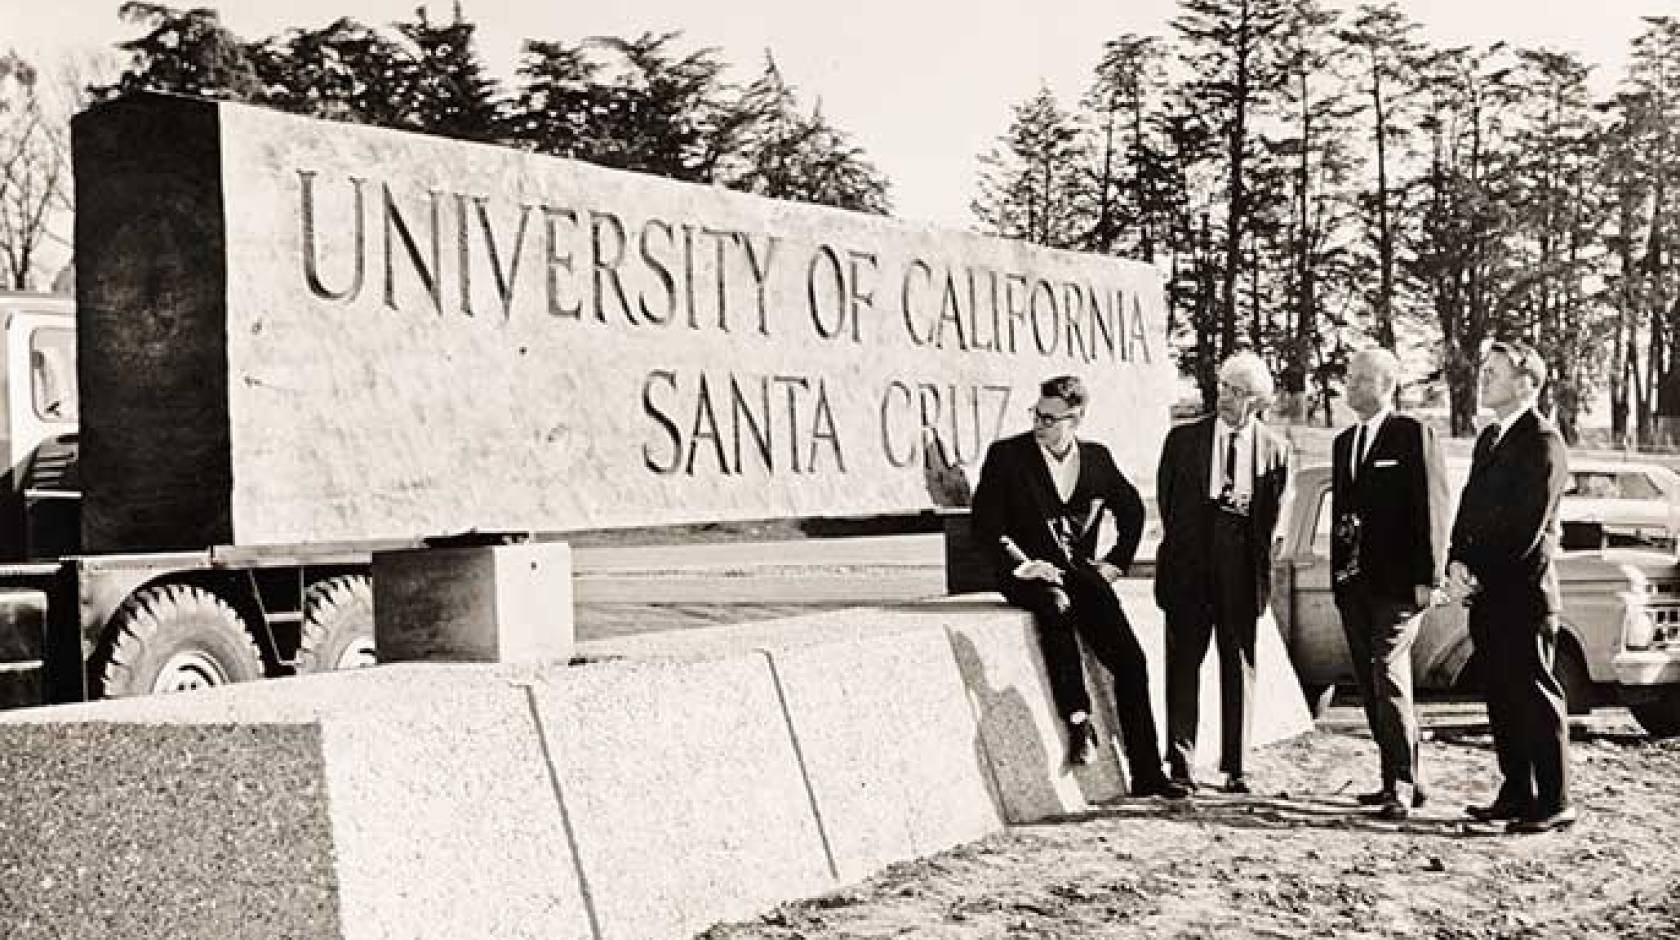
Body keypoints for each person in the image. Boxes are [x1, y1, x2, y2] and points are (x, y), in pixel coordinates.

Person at [971, 375, 1186, 798]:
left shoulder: (1097, 459)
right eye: (1037, 414)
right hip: (1026, 575)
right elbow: (987, 526)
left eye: (1050, 419)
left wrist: (1116, 563)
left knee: (1131, 661)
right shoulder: (1007, 456)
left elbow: (1132, 511)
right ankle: (1078, 719)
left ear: (1076, 419)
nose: (1039, 424)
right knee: (1056, 605)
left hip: (1081, 574)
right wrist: (1024, 565)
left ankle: (1147, 774)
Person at [1445, 340, 1576, 833]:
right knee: (1501, 696)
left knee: (1535, 696)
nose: (1483, 379)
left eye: (1494, 372)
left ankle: (1555, 800)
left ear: (1526, 383)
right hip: (1489, 594)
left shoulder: (1543, 442)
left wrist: (1476, 571)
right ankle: (1517, 791)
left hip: (1524, 597)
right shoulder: (1489, 439)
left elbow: (1526, 529)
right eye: (1484, 371)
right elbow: (1469, 507)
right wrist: (1456, 559)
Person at [1155, 352, 1290, 794]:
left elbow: (1272, 522)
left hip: (1241, 573)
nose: (1225, 397)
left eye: (1237, 391)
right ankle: (1181, 764)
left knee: (1239, 666)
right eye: (1223, 387)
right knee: (1183, 666)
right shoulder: (1182, 441)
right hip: (1189, 570)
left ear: (1257, 400)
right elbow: (1168, 503)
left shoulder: (1275, 449)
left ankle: (1237, 767)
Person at [1331, 347, 1450, 820]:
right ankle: (1399, 779)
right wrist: (1339, 578)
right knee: (1369, 680)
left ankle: (1400, 784)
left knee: (1388, 672)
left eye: (1361, 379)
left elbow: (1433, 508)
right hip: (1353, 585)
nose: (1350, 386)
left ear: (1388, 385)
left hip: (1400, 586)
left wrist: (1430, 577)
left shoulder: (1413, 434)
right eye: (1349, 377)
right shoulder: (1344, 443)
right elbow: (1343, 517)